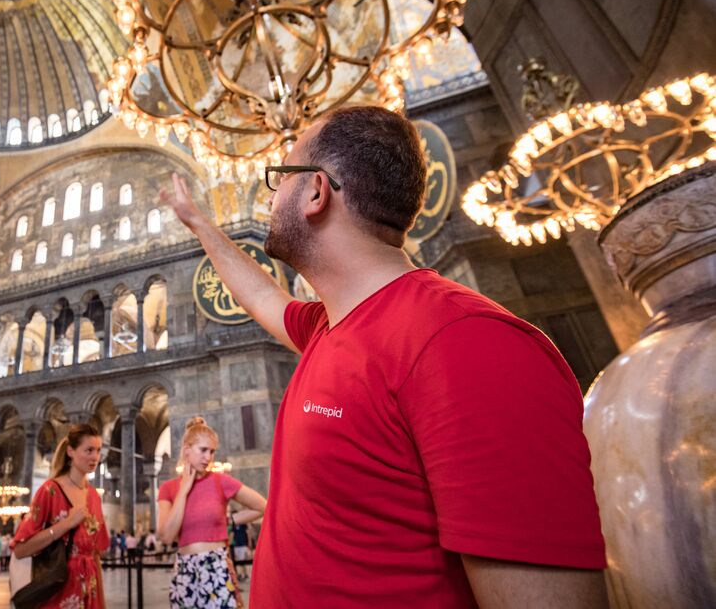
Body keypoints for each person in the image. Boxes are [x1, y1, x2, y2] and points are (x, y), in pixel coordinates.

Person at [159, 105, 609, 608]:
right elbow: (265, 299)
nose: (270, 197)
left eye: (278, 178)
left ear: (315, 191)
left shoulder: (469, 345)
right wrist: (198, 223)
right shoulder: (328, 327)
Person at [157, 417, 267, 609]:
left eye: (212, 451)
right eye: (203, 450)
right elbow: (166, 535)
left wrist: (228, 520)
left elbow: (261, 506)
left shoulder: (220, 481)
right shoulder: (169, 488)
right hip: (185, 569)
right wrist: (184, 490)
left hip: (217, 566)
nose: (208, 458)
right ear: (186, 449)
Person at [11, 424, 109, 608]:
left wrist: (101, 603)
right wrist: (65, 524)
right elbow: (21, 549)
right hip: (59, 589)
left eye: (98, 450)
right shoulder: (50, 491)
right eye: (88, 450)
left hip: (90, 588)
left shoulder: (94, 495)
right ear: (71, 451)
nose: (95, 457)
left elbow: (96, 555)